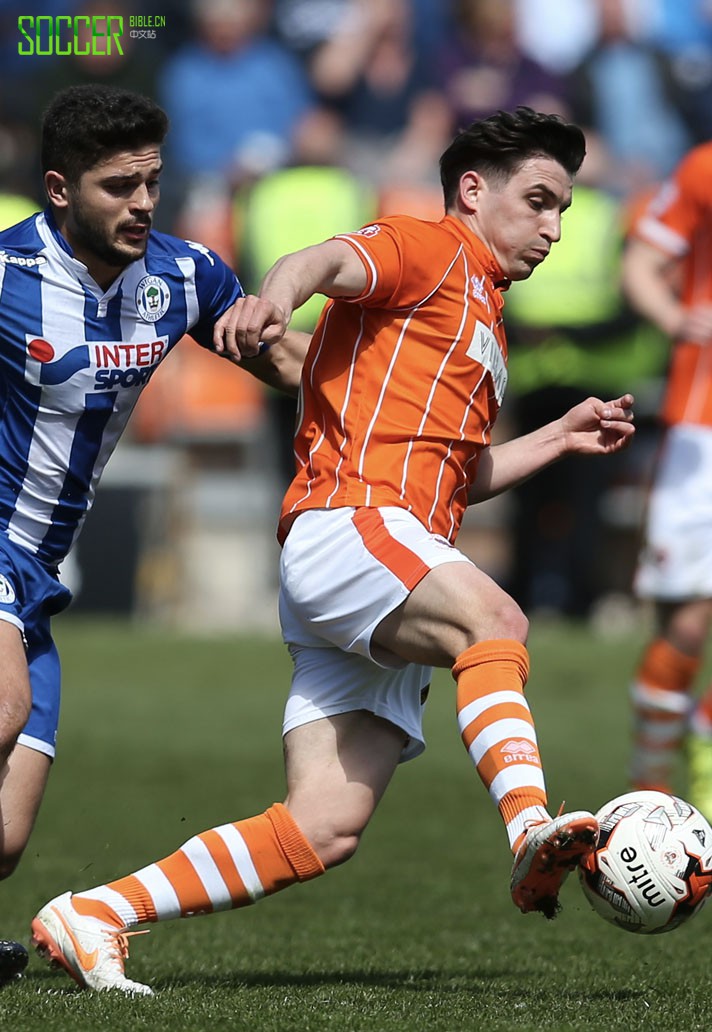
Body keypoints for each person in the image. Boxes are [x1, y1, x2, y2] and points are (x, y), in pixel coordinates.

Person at [31, 107, 635, 996]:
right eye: (538, 201)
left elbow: (460, 476)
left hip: (386, 553)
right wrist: (276, 301)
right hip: (354, 526)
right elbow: (322, 260)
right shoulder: (429, 247)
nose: (552, 228)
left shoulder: (483, 320)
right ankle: (529, 830)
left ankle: (94, 912)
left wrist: (558, 436)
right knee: (495, 620)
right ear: (473, 191)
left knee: (324, 826)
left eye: (562, 212)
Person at [0, 82, 305, 980]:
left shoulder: (186, 275)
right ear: (60, 189)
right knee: (4, 706)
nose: (142, 203)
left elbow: (286, 364)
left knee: (7, 837)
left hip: (38, 570)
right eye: (118, 187)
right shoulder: (7, 274)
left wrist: (378, 377)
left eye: (152, 183)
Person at [621, 140, 712, 816]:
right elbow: (641, 264)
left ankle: (704, 750)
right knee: (685, 619)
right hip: (701, 425)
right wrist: (678, 318)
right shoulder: (704, 168)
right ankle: (650, 789)